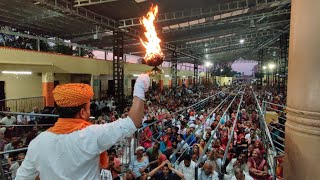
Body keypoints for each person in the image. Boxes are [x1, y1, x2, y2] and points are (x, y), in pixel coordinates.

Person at [16, 74, 150, 179]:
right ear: (82, 112)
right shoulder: (91, 135)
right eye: (88, 108)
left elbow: (22, 177)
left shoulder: (38, 142)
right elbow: (133, 122)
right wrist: (139, 86)